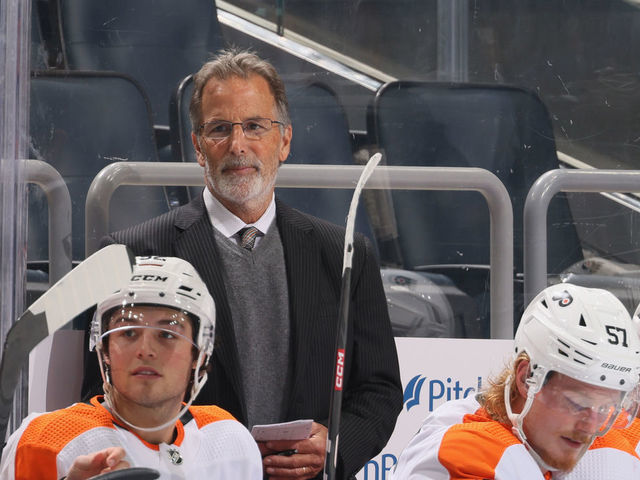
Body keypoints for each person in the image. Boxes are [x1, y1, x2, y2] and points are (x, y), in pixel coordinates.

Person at [96, 48, 403, 479]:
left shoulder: (345, 254)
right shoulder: (133, 254)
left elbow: (379, 389)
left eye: (255, 126)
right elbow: (100, 394)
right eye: (220, 128)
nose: (238, 145)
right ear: (199, 147)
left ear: (285, 140)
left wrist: (334, 447)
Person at [0, 256, 262, 479]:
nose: (145, 350)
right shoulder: (46, 440)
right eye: (128, 332)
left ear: (200, 353)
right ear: (104, 351)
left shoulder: (228, 437)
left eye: (167, 334)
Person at [391, 283, 640, 479]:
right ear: (527, 378)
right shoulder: (472, 458)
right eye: (576, 403)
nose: (590, 427)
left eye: (606, 408)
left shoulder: (596, 441)